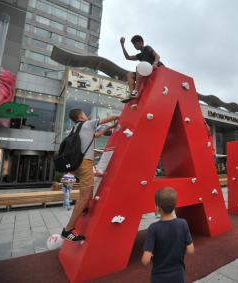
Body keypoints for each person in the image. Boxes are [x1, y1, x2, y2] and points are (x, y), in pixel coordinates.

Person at [61, 109, 119, 242]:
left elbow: (96, 135)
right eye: (85, 114)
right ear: (81, 116)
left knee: (87, 190)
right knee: (85, 195)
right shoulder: (87, 124)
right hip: (84, 164)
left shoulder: (76, 128)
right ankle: (68, 229)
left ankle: (85, 207)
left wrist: (110, 128)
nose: (86, 116)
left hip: (75, 165)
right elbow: (108, 118)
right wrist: (118, 117)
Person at [142, 187, 194, 283]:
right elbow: (191, 250)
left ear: (157, 209)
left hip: (159, 277)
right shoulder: (183, 223)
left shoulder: (153, 228)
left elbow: (145, 260)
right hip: (178, 275)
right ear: (175, 207)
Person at [120, 35, 163, 103]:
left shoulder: (147, 48)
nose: (134, 46)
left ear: (140, 42)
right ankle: (132, 94)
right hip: (147, 71)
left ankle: (136, 91)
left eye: (135, 44)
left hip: (157, 69)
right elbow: (128, 57)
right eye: (133, 44)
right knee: (129, 74)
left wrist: (155, 63)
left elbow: (157, 56)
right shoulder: (140, 55)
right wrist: (122, 45)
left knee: (139, 67)